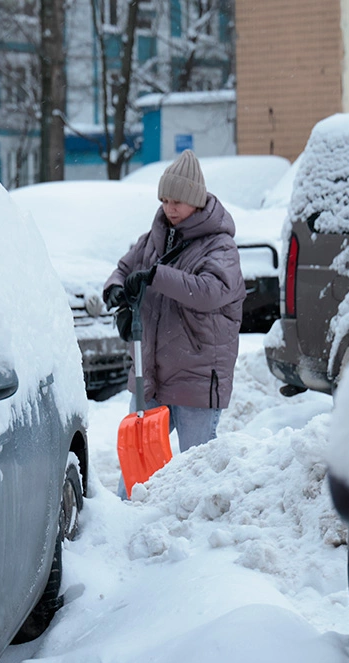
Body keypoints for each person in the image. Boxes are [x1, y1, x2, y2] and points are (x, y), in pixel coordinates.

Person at [103, 150, 246, 475]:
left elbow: (210, 292)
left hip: (196, 376)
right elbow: (124, 268)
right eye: (165, 200)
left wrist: (156, 276)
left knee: (196, 471)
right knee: (137, 468)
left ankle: (199, 525)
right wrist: (116, 290)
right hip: (150, 374)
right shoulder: (153, 239)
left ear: (196, 200)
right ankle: (128, 520)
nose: (170, 208)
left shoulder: (220, 246)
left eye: (178, 201)